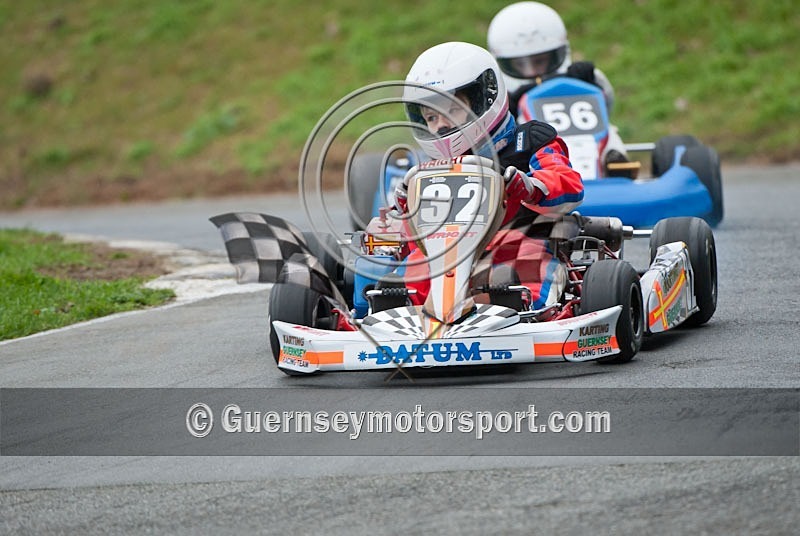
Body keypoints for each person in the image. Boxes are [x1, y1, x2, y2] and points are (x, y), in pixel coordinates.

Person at [394, 41, 584, 311]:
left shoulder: (529, 140)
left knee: (523, 267)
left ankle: (526, 313)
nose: (442, 125)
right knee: (410, 270)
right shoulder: (432, 166)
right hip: (450, 249)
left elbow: (568, 183)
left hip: (518, 236)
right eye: (431, 117)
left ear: (485, 98)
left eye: (452, 110)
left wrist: (529, 186)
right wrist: (405, 206)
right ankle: (390, 317)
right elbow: (411, 234)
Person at [487, 1, 630, 176]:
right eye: (520, 64)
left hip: (587, 146)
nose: (532, 71)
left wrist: (587, 85)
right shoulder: (499, 97)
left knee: (608, 129)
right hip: (530, 160)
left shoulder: (580, 79)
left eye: (540, 61)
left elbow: (607, 106)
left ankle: (615, 162)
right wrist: (512, 109)